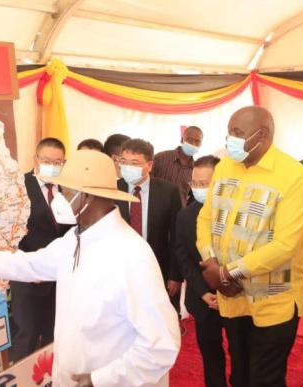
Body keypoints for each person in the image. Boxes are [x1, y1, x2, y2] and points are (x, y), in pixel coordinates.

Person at [0, 150, 180, 387]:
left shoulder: (131, 256)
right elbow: (27, 264)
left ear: (87, 197)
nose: (59, 196)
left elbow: (162, 345)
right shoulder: (76, 238)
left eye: (66, 190)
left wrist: (100, 379)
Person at [197, 106, 303, 387]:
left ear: (261, 135)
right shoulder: (225, 166)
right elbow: (205, 218)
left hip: (272, 301)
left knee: (265, 379)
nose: (230, 139)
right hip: (232, 297)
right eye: (229, 132)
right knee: (239, 374)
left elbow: (286, 244)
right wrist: (212, 264)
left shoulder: (294, 176)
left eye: (237, 133)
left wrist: (227, 274)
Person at [10, 137, 71, 361]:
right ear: (36, 159)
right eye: (47, 160)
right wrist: (28, 268)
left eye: (58, 162)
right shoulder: (17, 186)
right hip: (28, 277)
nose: (52, 166)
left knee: (53, 335)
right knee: (26, 335)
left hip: (59, 278)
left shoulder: (69, 189)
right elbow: (9, 233)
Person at [175, 155, 227, 387]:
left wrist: (226, 289)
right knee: (210, 351)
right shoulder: (185, 215)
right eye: (194, 183)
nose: (198, 189)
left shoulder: (236, 213)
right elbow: (184, 257)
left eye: (205, 184)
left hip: (237, 296)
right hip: (203, 298)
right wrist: (203, 292)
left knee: (241, 350)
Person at [115, 139, 184, 308]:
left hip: (158, 268)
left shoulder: (169, 191)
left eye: (135, 163)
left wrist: (175, 275)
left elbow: (176, 236)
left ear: (150, 165)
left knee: (160, 319)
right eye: (124, 162)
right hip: (120, 270)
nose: (128, 167)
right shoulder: (112, 189)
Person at [152, 125, 204, 205]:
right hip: (156, 208)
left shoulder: (196, 169)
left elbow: (192, 196)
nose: (193, 144)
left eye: (197, 142)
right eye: (190, 140)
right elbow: (147, 182)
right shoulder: (161, 158)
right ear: (182, 139)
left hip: (178, 214)